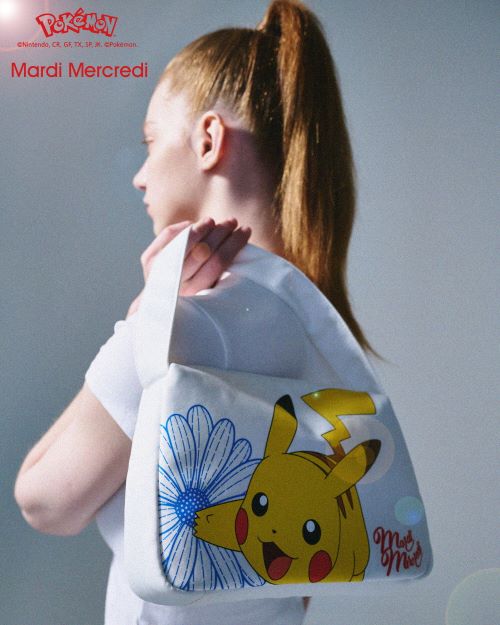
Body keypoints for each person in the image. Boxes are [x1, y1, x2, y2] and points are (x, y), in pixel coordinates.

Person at [14, 1, 381, 623]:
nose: (139, 176)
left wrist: (141, 321)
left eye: (150, 141)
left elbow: (43, 500)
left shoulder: (192, 319)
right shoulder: (319, 326)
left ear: (208, 140)